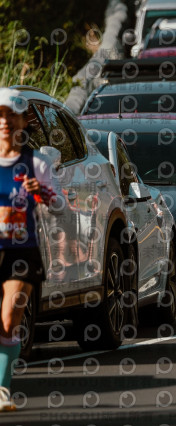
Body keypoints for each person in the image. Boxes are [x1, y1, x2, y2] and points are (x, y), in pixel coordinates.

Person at [0, 88, 65, 410]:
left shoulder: (35, 163)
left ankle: (1, 389)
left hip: (21, 251)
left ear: (24, 121)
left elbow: (60, 206)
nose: (4, 122)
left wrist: (43, 192)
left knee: (10, 318)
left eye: (11, 115)